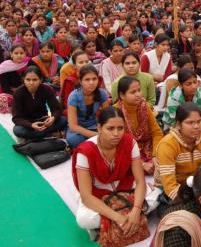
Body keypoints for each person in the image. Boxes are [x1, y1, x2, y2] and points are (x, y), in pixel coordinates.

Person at [72, 107, 147, 237]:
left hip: (124, 186)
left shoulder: (129, 142)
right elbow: (86, 196)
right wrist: (118, 218)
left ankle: (107, 223)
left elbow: (140, 181)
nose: (116, 133)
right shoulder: (86, 151)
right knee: (84, 219)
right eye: (110, 128)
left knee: (155, 197)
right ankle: (119, 218)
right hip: (98, 192)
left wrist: (135, 211)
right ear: (99, 128)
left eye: (120, 128)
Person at [154, 102, 201, 209]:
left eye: (199, 121)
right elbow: (169, 186)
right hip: (171, 190)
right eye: (190, 123)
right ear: (179, 125)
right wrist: (192, 201)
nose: (196, 126)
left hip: (195, 184)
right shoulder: (167, 145)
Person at [115, 76, 163, 175]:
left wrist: (155, 156)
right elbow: (117, 143)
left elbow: (157, 132)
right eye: (133, 92)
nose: (138, 95)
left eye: (139, 90)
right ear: (122, 95)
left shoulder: (144, 106)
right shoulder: (115, 111)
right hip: (126, 150)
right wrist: (142, 164)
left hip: (147, 146)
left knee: (165, 159)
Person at [12, 66, 67, 140]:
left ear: (40, 80)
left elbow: (57, 109)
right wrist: (31, 125)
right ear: (23, 80)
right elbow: (16, 118)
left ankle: (37, 136)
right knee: (18, 130)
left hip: (43, 121)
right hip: (28, 124)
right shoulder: (18, 93)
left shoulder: (46, 89)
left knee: (63, 120)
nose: (31, 83)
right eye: (28, 80)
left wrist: (53, 118)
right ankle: (47, 134)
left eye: (35, 80)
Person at [66, 65, 110, 147]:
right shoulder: (73, 96)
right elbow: (73, 126)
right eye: (87, 79)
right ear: (80, 81)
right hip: (78, 127)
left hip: (94, 125)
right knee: (73, 140)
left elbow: (106, 117)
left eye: (94, 79)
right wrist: (96, 135)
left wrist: (103, 130)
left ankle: (91, 143)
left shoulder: (102, 93)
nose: (91, 83)